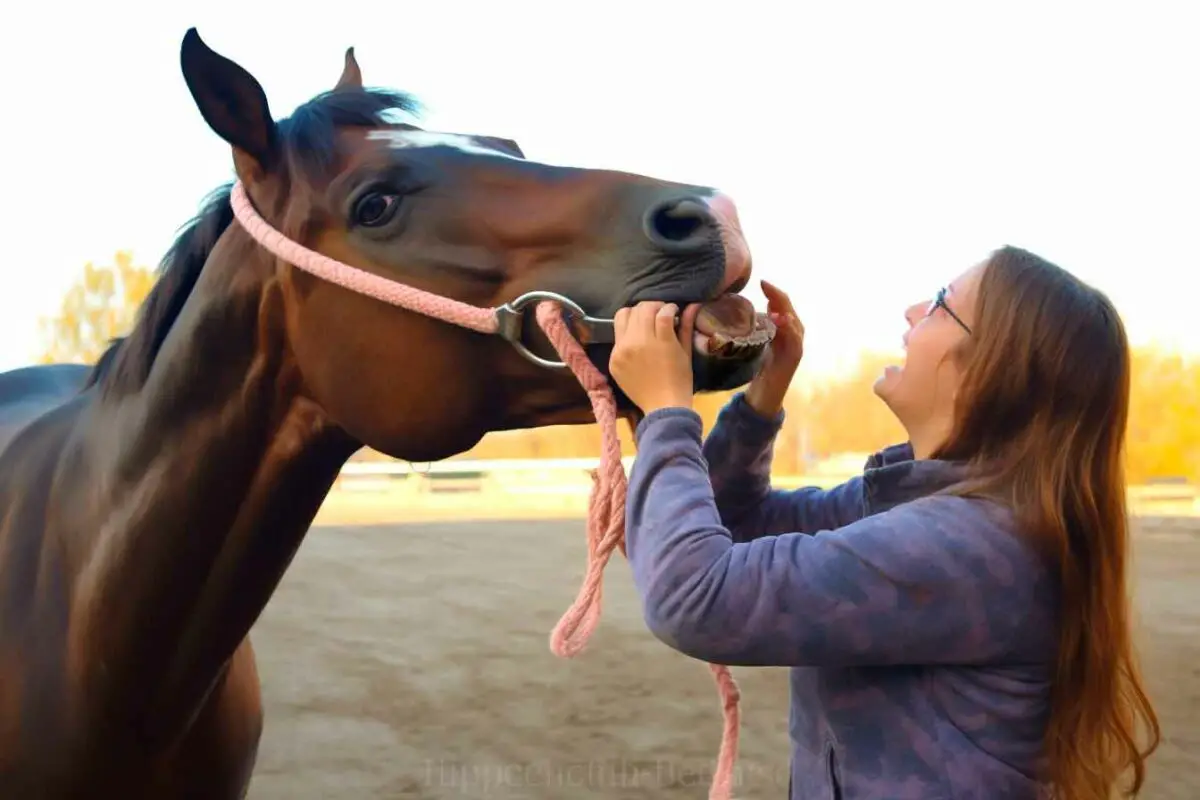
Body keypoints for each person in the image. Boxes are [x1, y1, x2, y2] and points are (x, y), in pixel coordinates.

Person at [608, 245, 1160, 799]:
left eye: (943, 304)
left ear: (992, 370)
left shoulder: (971, 546)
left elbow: (696, 598)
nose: (914, 310)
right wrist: (760, 399)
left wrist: (666, 411)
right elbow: (738, 524)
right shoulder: (932, 511)